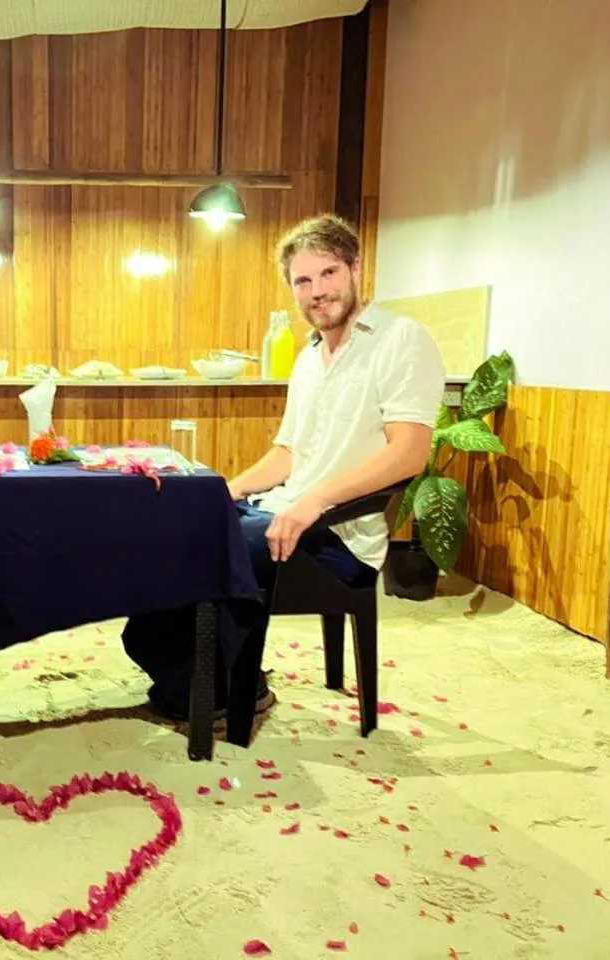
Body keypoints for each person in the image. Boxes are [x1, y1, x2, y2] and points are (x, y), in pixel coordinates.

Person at [122, 213, 446, 720]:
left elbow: (408, 453)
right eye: (303, 280)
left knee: (220, 548)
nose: (318, 290)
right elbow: (288, 453)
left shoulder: (401, 339)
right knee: (176, 530)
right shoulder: (308, 357)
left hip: (340, 536)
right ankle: (206, 677)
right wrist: (223, 491)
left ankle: (220, 688)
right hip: (283, 511)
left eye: (329, 273)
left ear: (356, 268)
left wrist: (314, 501)